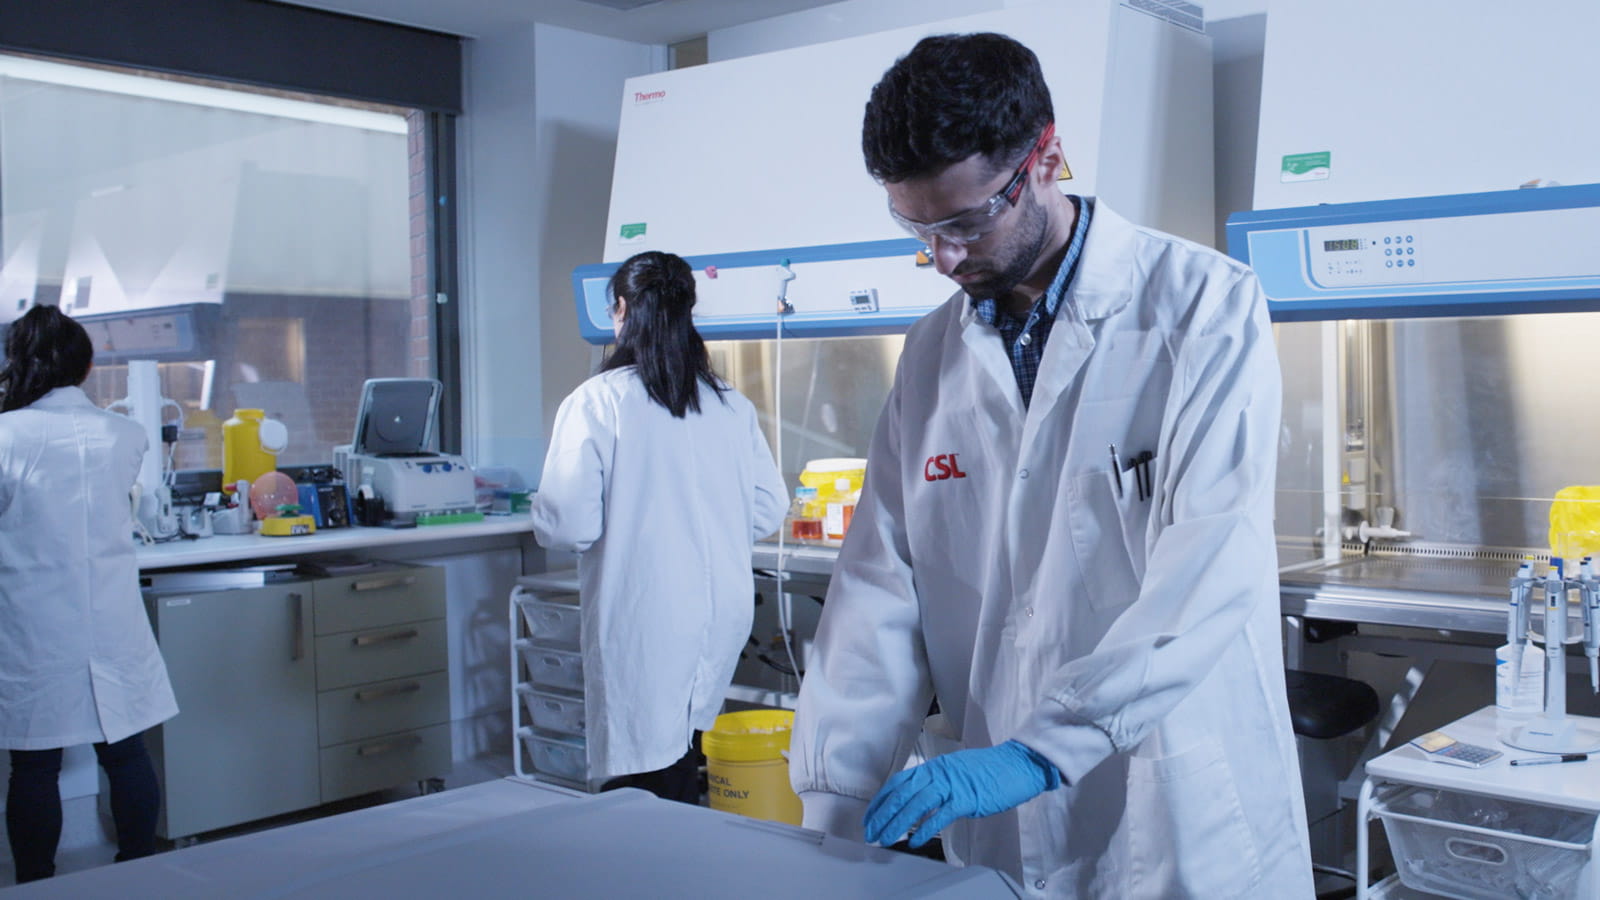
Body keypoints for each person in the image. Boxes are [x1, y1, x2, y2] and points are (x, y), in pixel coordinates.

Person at [789, 32, 1314, 897]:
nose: (943, 258)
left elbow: (1211, 565)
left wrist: (1041, 751)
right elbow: (879, 590)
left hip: (1174, 803)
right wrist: (833, 814)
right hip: (1000, 825)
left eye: (965, 222)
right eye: (917, 229)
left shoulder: (1203, 306)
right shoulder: (929, 356)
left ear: (1046, 158)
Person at [531, 250, 787, 802]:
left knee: (639, 775)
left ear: (621, 310)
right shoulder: (730, 404)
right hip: (719, 613)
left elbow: (569, 526)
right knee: (682, 754)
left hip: (645, 616)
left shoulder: (598, 401)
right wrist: (707, 524)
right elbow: (769, 508)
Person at [0, 305, 178, 884]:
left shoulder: (6, 437)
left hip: (36, 624)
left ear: (20, 363)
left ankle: (34, 885)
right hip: (112, 618)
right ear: (86, 365)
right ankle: (137, 875)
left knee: (33, 766)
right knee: (125, 753)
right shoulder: (126, 434)